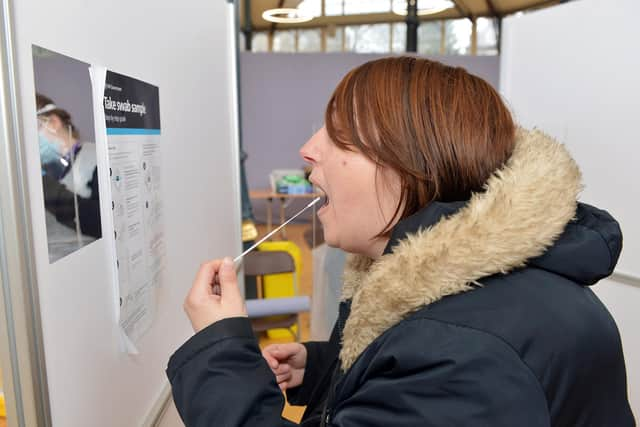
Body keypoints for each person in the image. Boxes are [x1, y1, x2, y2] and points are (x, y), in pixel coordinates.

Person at [166, 57, 635, 426]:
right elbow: (405, 371)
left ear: (412, 166)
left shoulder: (467, 355)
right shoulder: (470, 301)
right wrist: (323, 366)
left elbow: (431, 369)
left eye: (341, 135)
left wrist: (219, 351)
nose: (307, 148)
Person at [37, 94, 102, 257]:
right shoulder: (42, 171)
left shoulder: (97, 157)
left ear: (53, 122)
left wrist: (43, 185)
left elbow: (103, 222)